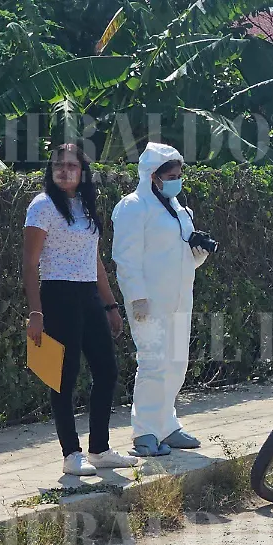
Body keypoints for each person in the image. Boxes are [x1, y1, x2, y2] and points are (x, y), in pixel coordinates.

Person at [23, 144, 136, 476]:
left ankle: (99, 448)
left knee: (107, 370)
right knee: (63, 377)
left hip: (88, 296)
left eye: (72, 165)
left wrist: (111, 304)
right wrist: (35, 312)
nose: (64, 170)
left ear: (82, 172)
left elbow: (95, 261)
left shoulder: (86, 206)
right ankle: (71, 454)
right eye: (58, 165)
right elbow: (30, 264)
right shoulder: (42, 206)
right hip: (57, 296)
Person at [112, 143, 212, 457]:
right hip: (149, 304)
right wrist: (137, 298)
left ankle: (167, 426)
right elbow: (125, 259)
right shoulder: (133, 207)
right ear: (153, 175)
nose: (176, 179)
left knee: (177, 363)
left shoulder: (178, 208)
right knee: (153, 365)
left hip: (180, 299)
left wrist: (198, 256)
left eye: (179, 174)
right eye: (171, 174)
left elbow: (180, 256)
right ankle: (144, 434)